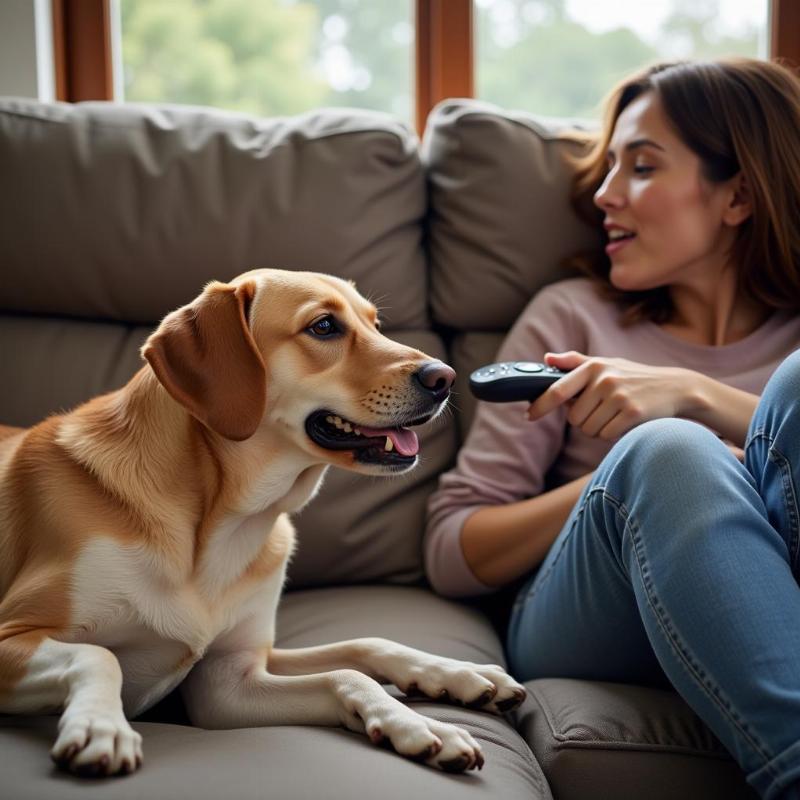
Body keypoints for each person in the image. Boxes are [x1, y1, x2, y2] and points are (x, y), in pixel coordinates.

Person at [424, 58, 800, 800]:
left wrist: (696, 395)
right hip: (592, 610)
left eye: (643, 165)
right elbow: (450, 548)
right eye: (609, 166)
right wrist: (621, 477)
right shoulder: (570, 317)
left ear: (739, 195)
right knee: (668, 453)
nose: (604, 194)